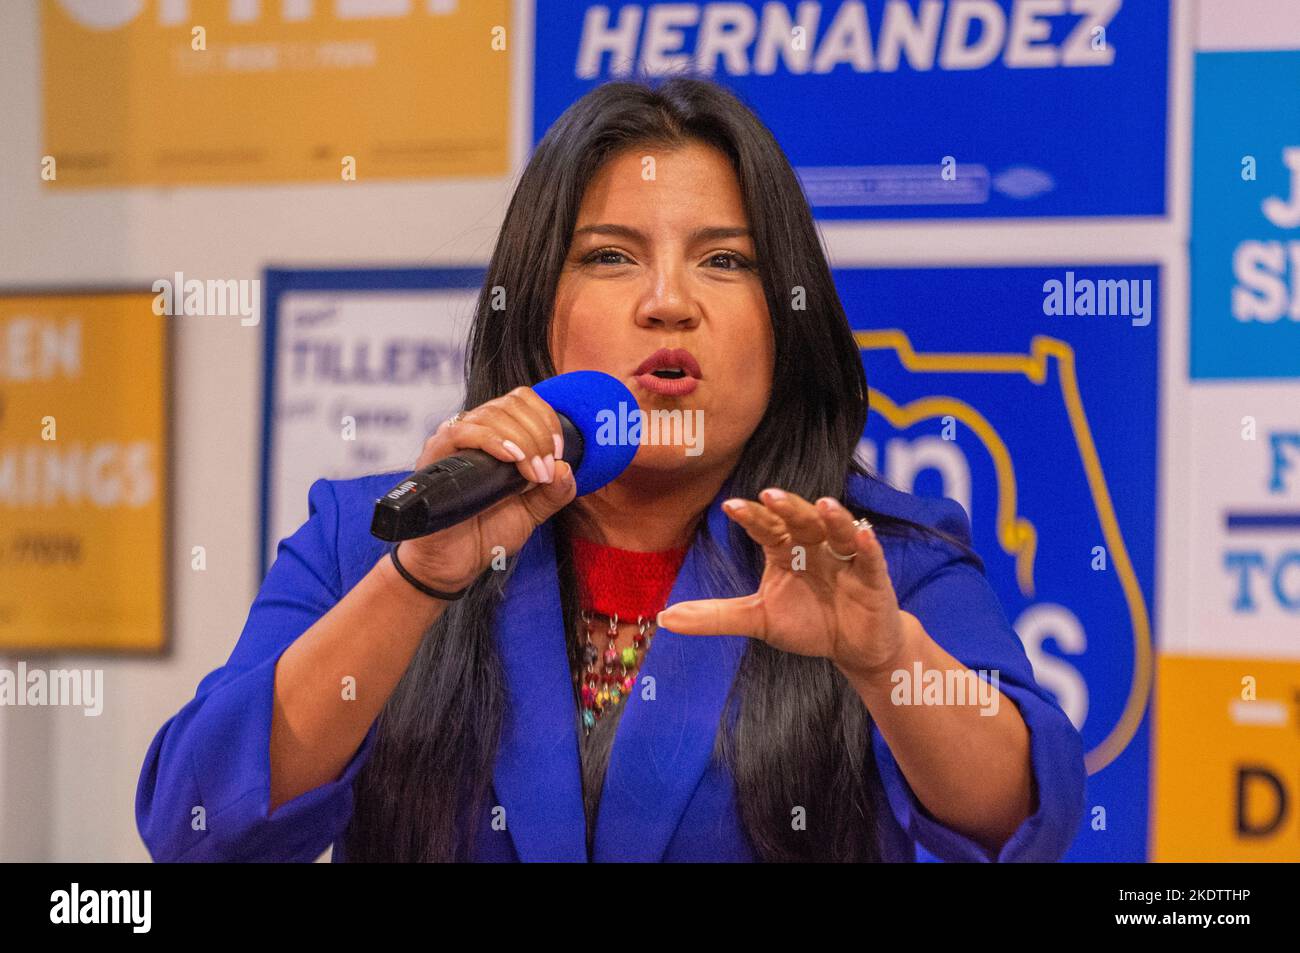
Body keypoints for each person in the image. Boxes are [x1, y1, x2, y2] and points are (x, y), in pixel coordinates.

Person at [136, 76, 1085, 863]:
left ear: (785, 319)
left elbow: (1019, 818)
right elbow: (196, 823)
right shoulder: (369, 537)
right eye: (610, 258)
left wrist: (886, 660)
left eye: (723, 260)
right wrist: (416, 581)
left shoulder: (873, 555)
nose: (669, 303)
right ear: (537, 307)